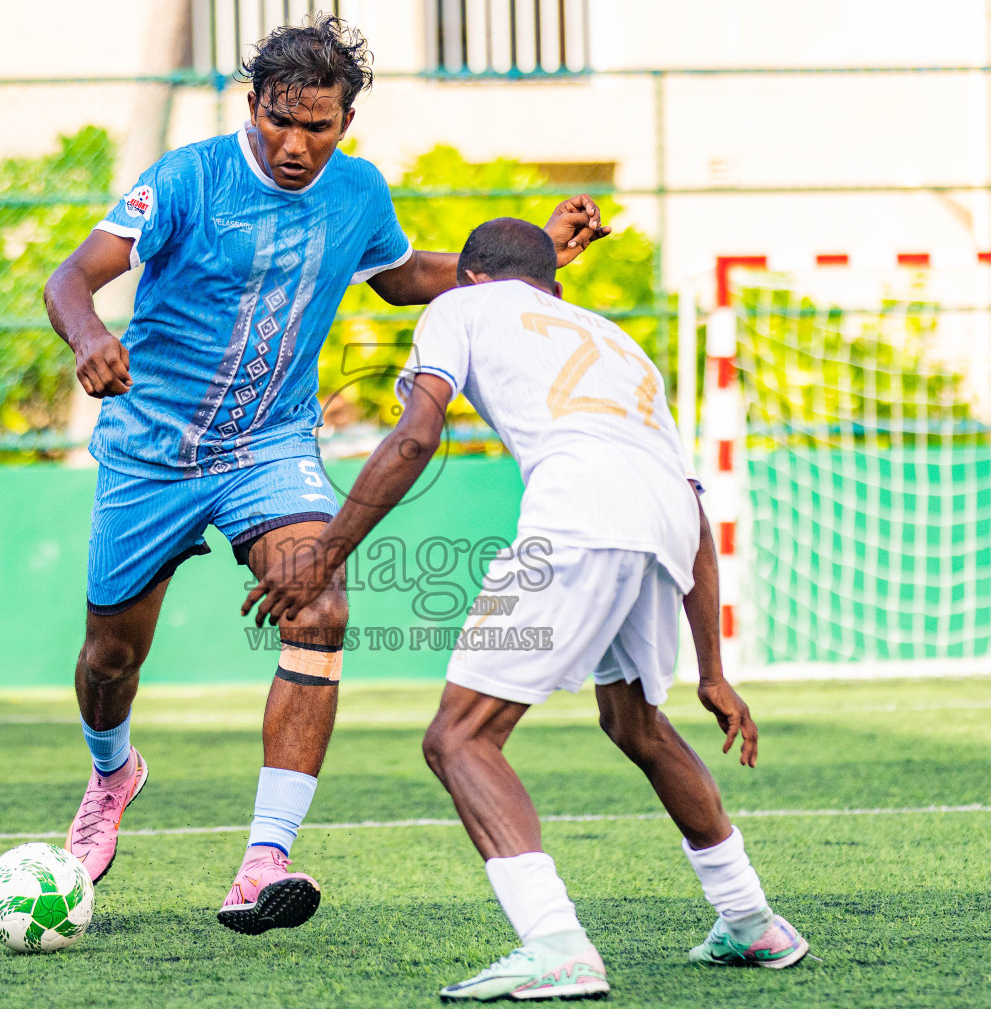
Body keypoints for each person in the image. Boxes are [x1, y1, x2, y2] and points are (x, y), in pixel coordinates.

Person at [41, 16, 610, 936]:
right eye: (281, 121)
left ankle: (265, 859)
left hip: (269, 444)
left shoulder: (356, 192)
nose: (298, 144)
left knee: (322, 605)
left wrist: (533, 258)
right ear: (253, 104)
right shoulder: (187, 178)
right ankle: (112, 775)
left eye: (321, 126)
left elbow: (403, 276)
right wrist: (92, 335)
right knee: (111, 657)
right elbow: (73, 276)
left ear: (347, 120)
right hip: (150, 447)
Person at [243, 218, 809, 998]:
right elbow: (692, 505)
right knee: (637, 724)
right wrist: (712, 668)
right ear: (554, 286)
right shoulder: (617, 341)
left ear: (469, 276)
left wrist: (326, 552)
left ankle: (556, 945)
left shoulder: (458, 309)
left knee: (459, 738)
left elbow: (415, 436)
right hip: (666, 525)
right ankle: (752, 922)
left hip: (577, 515)